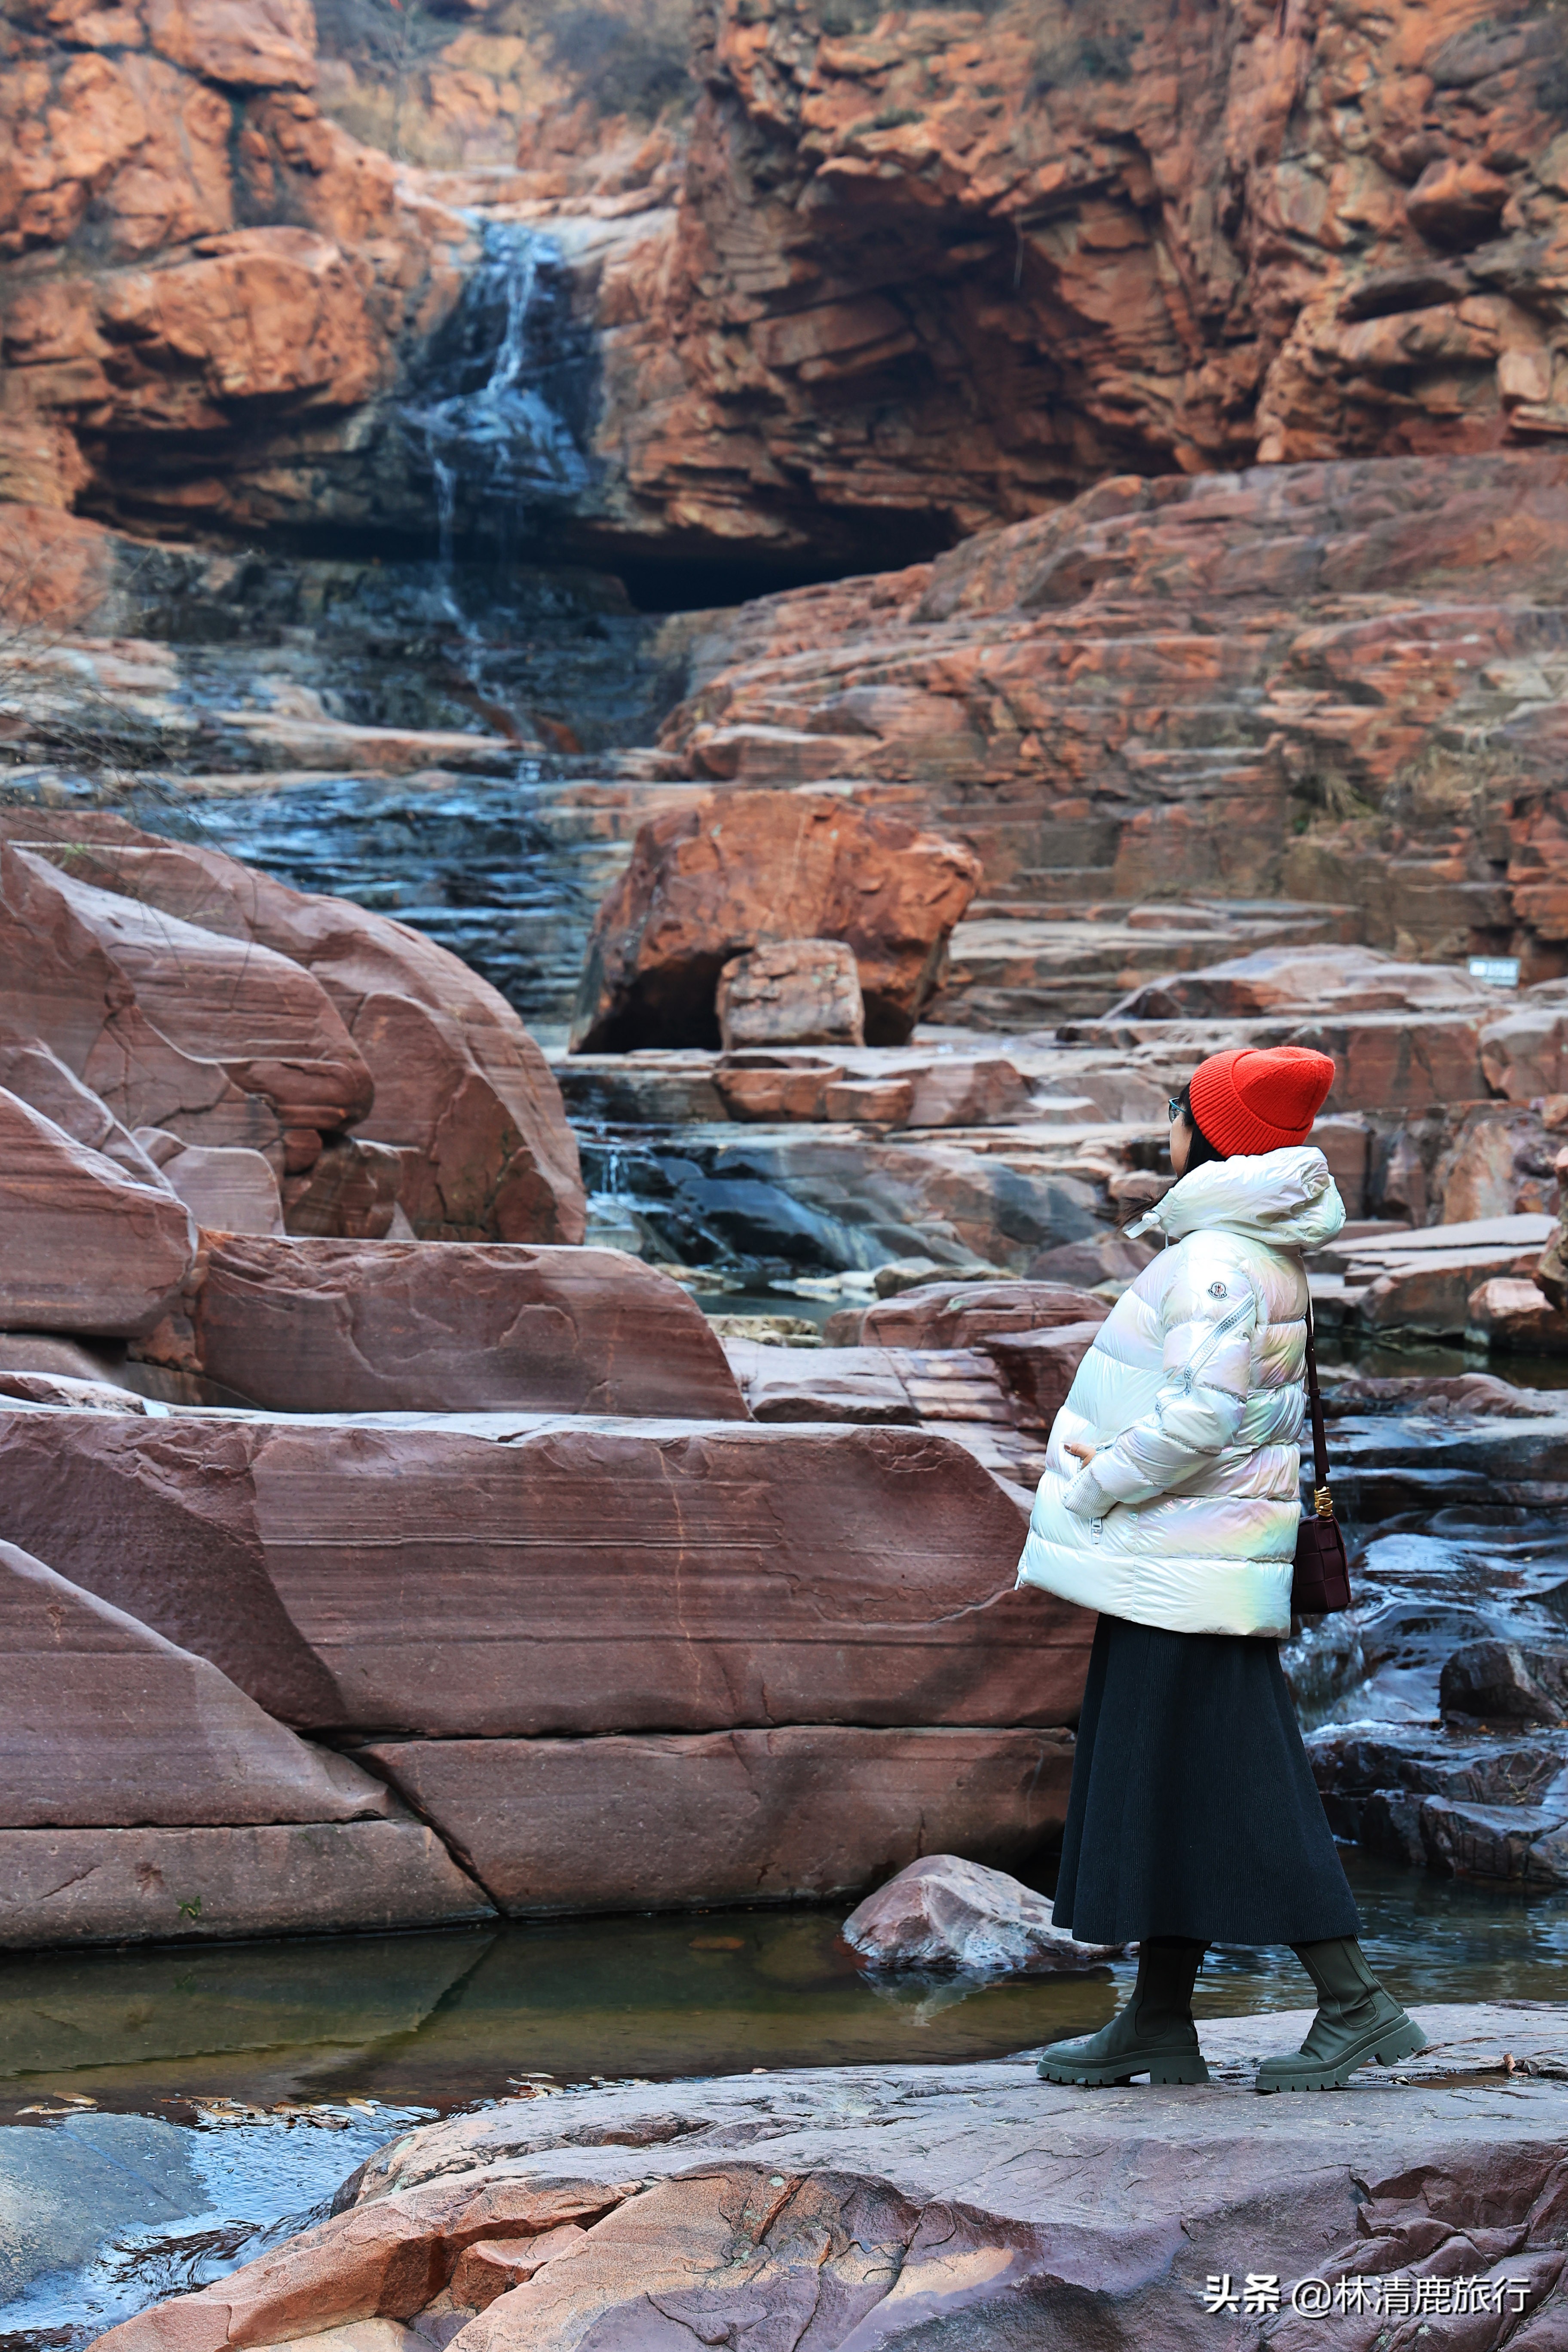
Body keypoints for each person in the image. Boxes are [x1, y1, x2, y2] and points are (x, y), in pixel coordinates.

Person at [1017, 1044, 1426, 2093]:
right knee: (1175, 1781)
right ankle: (1158, 2020)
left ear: (1212, 1135)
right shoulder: (1252, 1245)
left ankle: (1356, 2003)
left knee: (1247, 1783)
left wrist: (1098, 1482)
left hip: (1184, 1562)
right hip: (1196, 1560)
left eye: (1179, 1109)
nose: (1166, 1126)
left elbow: (1203, 1414)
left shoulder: (1215, 1258)